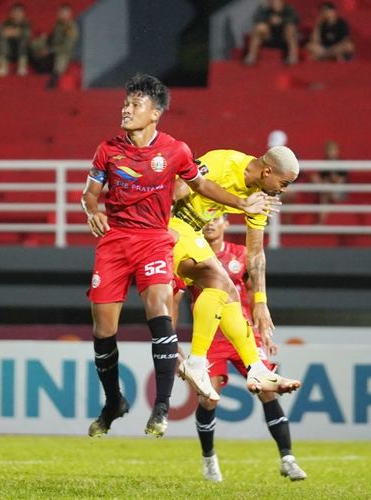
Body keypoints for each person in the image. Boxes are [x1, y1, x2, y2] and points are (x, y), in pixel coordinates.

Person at [82, 74, 276, 438]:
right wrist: (91, 208)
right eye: (125, 103)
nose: (126, 109)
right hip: (114, 242)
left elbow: (201, 184)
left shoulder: (176, 150)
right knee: (103, 330)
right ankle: (113, 402)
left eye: (135, 104)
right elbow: (89, 194)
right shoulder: (107, 149)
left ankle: (161, 407)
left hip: (155, 239)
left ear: (154, 113)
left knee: (160, 308)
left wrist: (240, 203)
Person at [174, 215, 306, 482]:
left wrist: (263, 332)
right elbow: (175, 298)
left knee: (268, 391)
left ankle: (287, 458)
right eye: (206, 219)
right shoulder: (191, 255)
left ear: (226, 224)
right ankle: (209, 459)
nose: (210, 223)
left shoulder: (240, 254)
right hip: (210, 338)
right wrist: (173, 342)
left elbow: (253, 294)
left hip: (243, 334)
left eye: (216, 218)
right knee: (208, 399)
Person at [172, 146, 302, 402]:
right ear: (267, 171)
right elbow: (177, 188)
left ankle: (256, 368)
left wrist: (261, 302)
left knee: (228, 291)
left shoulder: (259, 196)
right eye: (284, 183)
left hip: (192, 233)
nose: (283, 190)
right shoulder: (224, 162)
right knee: (221, 282)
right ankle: (198, 361)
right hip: (172, 226)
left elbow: (255, 253)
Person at [29, 3, 79, 89]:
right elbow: (51, 39)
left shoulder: (71, 28)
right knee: (35, 44)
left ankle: (55, 78)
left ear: (69, 14)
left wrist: (49, 50)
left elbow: (66, 47)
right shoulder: (57, 25)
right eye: (60, 12)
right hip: (52, 49)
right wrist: (42, 41)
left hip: (64, 52)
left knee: (61, 56)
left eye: (64, 13)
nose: (61, 14)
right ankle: (36, 64)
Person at [244, 0, 300, 66]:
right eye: (274, 3)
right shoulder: (265, 10)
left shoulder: (289, 9)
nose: (276, 5)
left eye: (278, 3)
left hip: (284, 38)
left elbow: (295, 19)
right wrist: (269, 21)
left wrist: (281, 20)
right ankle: (251, 56)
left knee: (290, 28)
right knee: (259, 28)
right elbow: (257, 19)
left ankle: (292, 57)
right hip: (270, 37)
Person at [309, 140, 347, 224]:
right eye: (328, 150)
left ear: (337, 151)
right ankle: (321, 221)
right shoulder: (325, 163)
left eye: (332, 150)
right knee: (323, 189)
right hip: (326, 190)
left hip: (339, 192)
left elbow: (340, 181)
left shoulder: (341, 164)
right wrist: (315, 178)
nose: (330, 153)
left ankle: (321, 221)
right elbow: (320, 177)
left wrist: (331, 178)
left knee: (325, 190)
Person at [0, 2, 32, 77]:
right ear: (11, 13)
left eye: (19, 12)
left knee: (23, 39)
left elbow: (27, 34)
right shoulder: (5, 23)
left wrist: (12, 32)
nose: (17, 14)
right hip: (9, 51)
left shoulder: (26, 23)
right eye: (14, 12)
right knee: (2, 39)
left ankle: (22, 67)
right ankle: (3, 66)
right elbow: (1, 32)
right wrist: (16, 32)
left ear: (23, 14)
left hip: (23, 52)